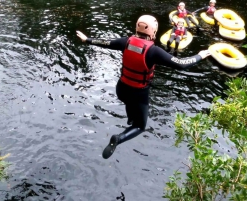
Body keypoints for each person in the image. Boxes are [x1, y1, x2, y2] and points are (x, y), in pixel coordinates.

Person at [76, 15, 210, 159]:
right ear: (153, 31)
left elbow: (105, 42)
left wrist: (86, 39)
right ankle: (118, 138)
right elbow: (181, 64)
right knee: (139, 126)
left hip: (121, 89)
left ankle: (130, 118)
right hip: (138, 93)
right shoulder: (153, 51)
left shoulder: (125, 42)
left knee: (128, 102)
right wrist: (200, 56)